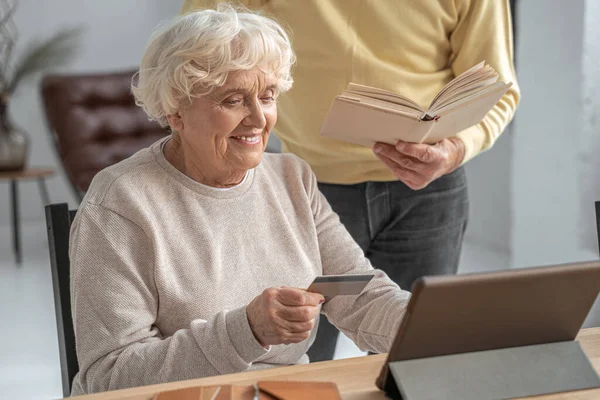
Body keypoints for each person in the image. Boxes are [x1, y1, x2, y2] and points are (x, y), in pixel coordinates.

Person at [68, 6, 411, 395]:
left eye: (266, 96)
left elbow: (361, 297)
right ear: (175, 111)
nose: (258, 118)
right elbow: (110, 378)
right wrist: (245, 331)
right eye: (233, 100)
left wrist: (436, 324)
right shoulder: (120, 204)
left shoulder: (292, 179)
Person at [181, 0, 521, 361]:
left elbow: (499, 88)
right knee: (293, 356)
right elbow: (191, 51)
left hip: (430, 194)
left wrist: (457, 147)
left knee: (416, 355)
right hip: (308, 192)